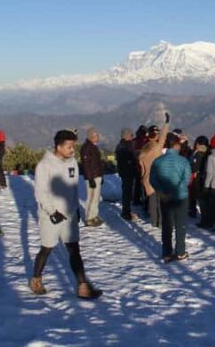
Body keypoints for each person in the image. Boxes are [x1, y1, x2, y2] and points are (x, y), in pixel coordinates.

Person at [30, 129, 102, 299]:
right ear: (58, 146)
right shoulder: (44, 165)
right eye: (69, 146)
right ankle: (36, 279)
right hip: (51, 216)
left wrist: (76, 208)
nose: (72, 150)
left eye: (73, 146)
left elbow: (74, 187)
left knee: (74, 250)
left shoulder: (72, 163)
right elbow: (40, 192)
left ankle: (83, 286)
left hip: (69, 214)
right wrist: (51, 211)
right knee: (47, 248)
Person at [150, 132, 191, 262]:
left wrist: (162, 191)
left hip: (165, 197)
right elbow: (187, 180)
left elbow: (153, 180)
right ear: (177, 145)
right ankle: (180, 251)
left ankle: (167, 252)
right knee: (181, 225)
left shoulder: (157, 161)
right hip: (181, 197)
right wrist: (178, 189)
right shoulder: (183, 161)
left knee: (167, 226)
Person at [139, 114, 170, 227]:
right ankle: (161, 221)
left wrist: (143, 179)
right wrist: (166, 123)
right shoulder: (157, 147)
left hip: (147, 179)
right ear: (155, 137)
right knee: (160, 201)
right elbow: (163, 136)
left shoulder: (143, 152)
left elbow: (142, 169)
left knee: (152, 200)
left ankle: (154, 220)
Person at [80, 128, 104, 227]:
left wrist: (101, 176)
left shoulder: (93, 147)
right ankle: (89, 218)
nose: (98, 137)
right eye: (96, 135)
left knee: (96, 198)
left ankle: (94, 215)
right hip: (92, 176)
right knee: (91, 197)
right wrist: (90, 178)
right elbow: (86, 164)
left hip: (96, 175)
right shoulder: (87, 147)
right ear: (91, 136)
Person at [115, 128, 140, 222]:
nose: (132, 136)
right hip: (127, 172)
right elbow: (128, 159)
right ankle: (126, 213)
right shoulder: (125, 146)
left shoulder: (121, 145)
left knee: (127, 192)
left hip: (124, 172)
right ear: (127, 135)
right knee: (127, 193)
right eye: (131, 135)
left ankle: (126, 211)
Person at [190, 136, 209, 222]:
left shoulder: (198, 153)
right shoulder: (208, 152)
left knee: (199, 197)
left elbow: (194, 167)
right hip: (206, 177)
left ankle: (203, 218)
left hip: (197, 178)